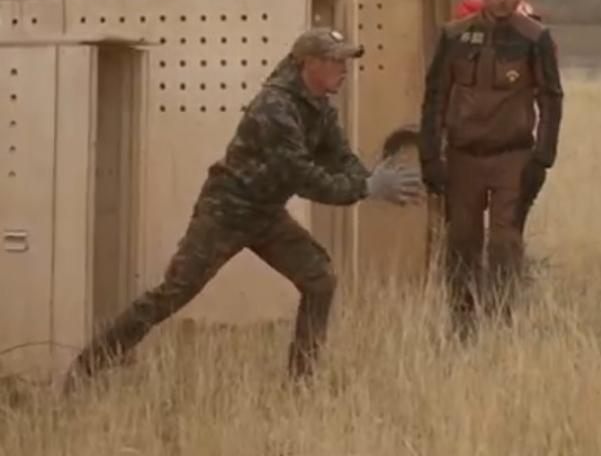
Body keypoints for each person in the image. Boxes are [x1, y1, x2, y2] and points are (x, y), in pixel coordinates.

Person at [63, 28, 424, 389]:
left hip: (265, 213)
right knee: (175, 292)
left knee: (319, 280)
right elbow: (303, 176)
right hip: (226, 210)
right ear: (309, 64)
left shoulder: (319, 108)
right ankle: (88, 367)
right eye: (336, 60)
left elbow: (341, 158)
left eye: (346, 60)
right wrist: (365, 187)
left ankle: (302, 382)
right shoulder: (274, 108)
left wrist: (372, 180)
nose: (344, 69)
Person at [419, 0, 564, 338]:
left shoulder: (535, 38)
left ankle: (501, 324)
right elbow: (434, 96)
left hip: (512, 157)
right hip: (463, 156)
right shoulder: (453, 36)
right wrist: (431, 156)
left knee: (504, 243)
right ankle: (463, 326)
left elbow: (551, 99)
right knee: (462, 242)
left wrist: (542, 159)